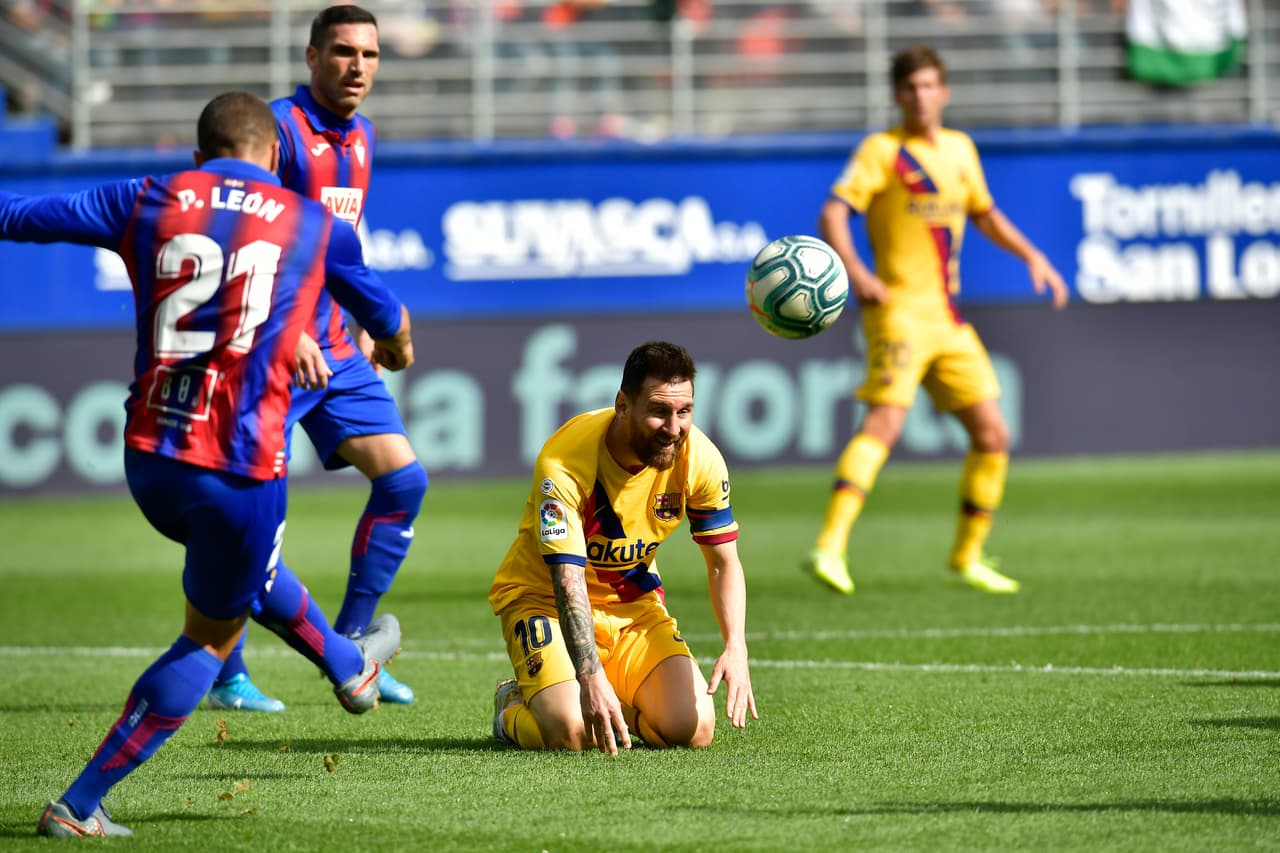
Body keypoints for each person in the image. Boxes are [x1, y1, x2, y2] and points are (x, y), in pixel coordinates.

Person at [0, 90, 414, 838]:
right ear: (273, 157)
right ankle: (78, 805)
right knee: (213, 633)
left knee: (248, 571)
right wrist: (397, 347)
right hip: (237, 464)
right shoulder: (312, 223)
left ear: (200, 155)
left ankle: (350, 668)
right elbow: (388, 321)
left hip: (150, 454)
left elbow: (25, 215)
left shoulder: (149, 195)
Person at [206, 4, 426, 712]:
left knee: (404, 482)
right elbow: (244, 236)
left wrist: (364, 325)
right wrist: (285, 328)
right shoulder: (277, 132)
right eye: (341, 52)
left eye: (368, 54)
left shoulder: (361, 137)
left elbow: (341, 243)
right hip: (272, 347)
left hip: (334, 346)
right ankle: (226, 671)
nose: (356, 65)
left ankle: (356, 641)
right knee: (246, 513)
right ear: (310, 57)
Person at [806, 44, 1068, 597]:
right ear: (897, 96)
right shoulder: (883, 151)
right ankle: (830, 546)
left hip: (948, 320)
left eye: (929, 86)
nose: (921, 97)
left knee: (993, 432)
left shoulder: (960, 150)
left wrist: (1031, 256)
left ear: (944, 92)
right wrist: (858, 272)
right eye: (910, 88)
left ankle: (968, 555)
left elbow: (985, 213)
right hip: (897, 313)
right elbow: (833, 211)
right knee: (884, 423)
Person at [489, 341, 757, 754]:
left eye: (684, 411)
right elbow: (568, 580)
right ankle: (511, 709)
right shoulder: (564, 463)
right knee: (574, 733)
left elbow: (723, 563)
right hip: (542, 601)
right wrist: (589, 675)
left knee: (694, 728)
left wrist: (735, 645)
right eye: (659, 411)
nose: (674, 428)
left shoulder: (699, 459)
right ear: (622, 405)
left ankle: (614, 702)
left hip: (632, 609)